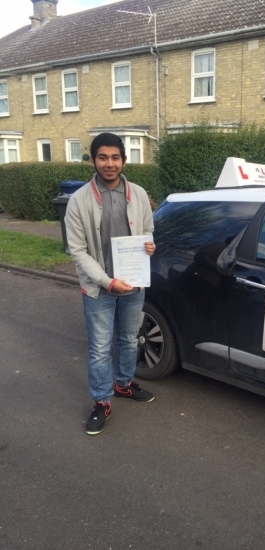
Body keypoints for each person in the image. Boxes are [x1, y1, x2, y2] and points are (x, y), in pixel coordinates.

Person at [65, 132, 155, 435]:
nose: (109, 163)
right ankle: (101, 401)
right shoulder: (79, 201)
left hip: (133, 285)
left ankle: (124, 384)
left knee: (129, 340)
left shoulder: (139, 194)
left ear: (124, 160)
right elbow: (77, 251)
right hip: (99, 288)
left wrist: (150, 245)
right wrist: (107, 281)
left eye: (115, 157)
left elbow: (148, 230)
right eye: (102, 157)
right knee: (100, 349)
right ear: (93, 160)